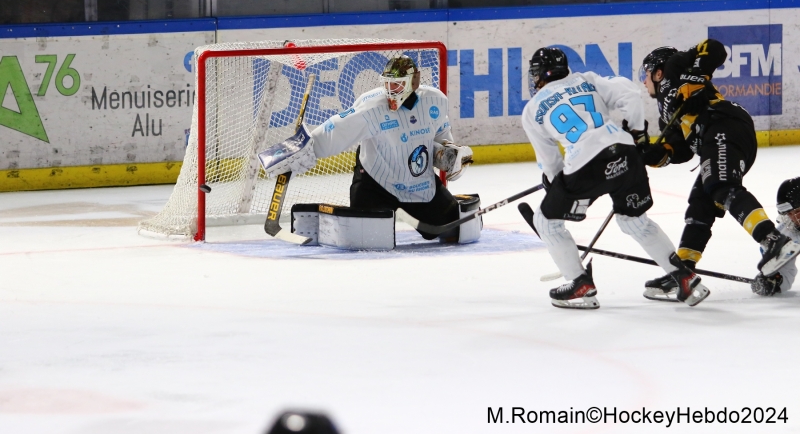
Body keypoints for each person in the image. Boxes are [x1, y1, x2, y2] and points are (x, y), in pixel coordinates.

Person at [520, 47, 709, 309]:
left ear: (539, 75)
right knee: (635, 221)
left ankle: (579, 284)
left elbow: (551, 162)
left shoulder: (532, 110)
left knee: (546, 222)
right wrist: (637, 133)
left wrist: (554, 186)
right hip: (625, 152)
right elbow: (630, 93)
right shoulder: (585, 79)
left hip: (584, 165)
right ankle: (684, 277)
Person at [637, 40, 800, 301]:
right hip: (717, 138)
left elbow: (714, 48)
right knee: (700, 205)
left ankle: (772, 239)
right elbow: (680, 150)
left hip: (724, 124)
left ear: (657, 72)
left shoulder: (675, 66)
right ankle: (683, 272)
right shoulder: (666, 114)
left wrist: (695, 78)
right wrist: (653, 153)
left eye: (644, 75)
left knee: (720, 186)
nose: (643, 82)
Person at [262, 55, 478, 243]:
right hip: (376, 185)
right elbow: (336, 129)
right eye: (388, 84)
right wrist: (302, 148)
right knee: (366, 240)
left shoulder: (435, 101)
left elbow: (440, 136)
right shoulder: (372, 107)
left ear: (414, 82)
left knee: (457, 231)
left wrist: (447, 155)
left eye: (397, 85)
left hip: (419, 186)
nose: (391, 91)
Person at [752, 177, 800, 295]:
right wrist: (775, 281)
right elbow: (784, 269)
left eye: (796, 212)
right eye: (789, 213)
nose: (792, 218)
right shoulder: (785, 233)